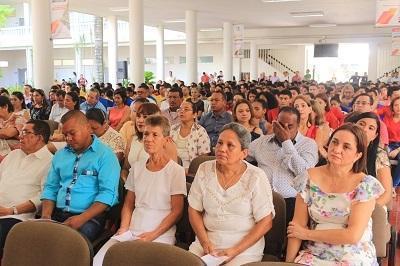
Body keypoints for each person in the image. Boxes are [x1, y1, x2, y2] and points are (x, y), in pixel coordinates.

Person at [93, 115, 187, 266]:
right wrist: (123, 228)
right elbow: (129, 204)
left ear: (166, 140)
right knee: (99, 261)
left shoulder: (175, 171)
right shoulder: (137, 167)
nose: (149, 139)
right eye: (146, 134)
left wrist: (152, 235)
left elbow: (177, 212)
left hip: (160, 232)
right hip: (132, 228)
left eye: (155, 135)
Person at [286, 124, 383, 265]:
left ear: (358, 155)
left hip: (353, 255)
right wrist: (288, 263)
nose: (337, 150)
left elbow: (352, 235)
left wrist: (306, 234)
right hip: (314, 254)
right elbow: (297, 227)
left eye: (346, 147)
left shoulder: (366, 185)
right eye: (335, 142)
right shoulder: (308, 177)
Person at [188, 122, 275, 265]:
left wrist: (235, 250)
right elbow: (194, 209)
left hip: (244, 248)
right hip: (207, 242)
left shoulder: (256, 176)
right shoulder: (204, 169)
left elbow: (266, 222)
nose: (222, 149)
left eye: (230, 145)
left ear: (244, 153)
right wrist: (204, 242)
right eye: (220, 143)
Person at [41, 110, 120, 241]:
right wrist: (46, 216)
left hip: (89, 217)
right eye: (65, 135)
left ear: (88, 128)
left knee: (68, 243)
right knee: (34, 239)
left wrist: (81, 218)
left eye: (72, 133)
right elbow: (50, 188)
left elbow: (107, 194)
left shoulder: (105, 155)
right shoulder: (60, 155)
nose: (68, 139)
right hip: (57, 213)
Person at [248, 107, 318, 225]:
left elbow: (304, 173)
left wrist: (286, 142)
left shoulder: (308, 144)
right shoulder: (261, 142)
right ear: (275, 123)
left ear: (298, 125)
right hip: (261, 199)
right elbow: (242, 155)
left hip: (292, 203)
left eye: (289, 126)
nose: (283, 130)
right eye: (280, 125)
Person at [0, 120, 53, 257]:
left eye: (25, 133)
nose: (20, 136)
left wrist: (10, 210)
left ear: (39, 138)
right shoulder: (14, 155)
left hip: (15, 216)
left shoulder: (50, 162)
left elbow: (43, 197)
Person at [347, 112, 392, 206]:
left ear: (375, 136)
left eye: (371, 128)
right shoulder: (341, 149)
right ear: (353, 126)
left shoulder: (379, 155)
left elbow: (386, 193)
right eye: (361, 124)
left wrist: (366, 210)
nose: (364, 129)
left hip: (371, 205)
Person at [170, 101, 210, 171]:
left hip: (191, 170)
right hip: (171, 167)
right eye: (180, 109)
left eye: (186, 109)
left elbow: (203, 157)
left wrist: (189, 170)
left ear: (194, 114)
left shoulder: (200, 131)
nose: (182, 111)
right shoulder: (172, 129)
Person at [293, 96, 330, 160]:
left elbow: (319, 149)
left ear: (310, 109)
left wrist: (329, 159)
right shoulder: (289, 128)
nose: (299, 109)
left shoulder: (317, 130)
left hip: (309, 163)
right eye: (296, 106)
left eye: (303, 106)